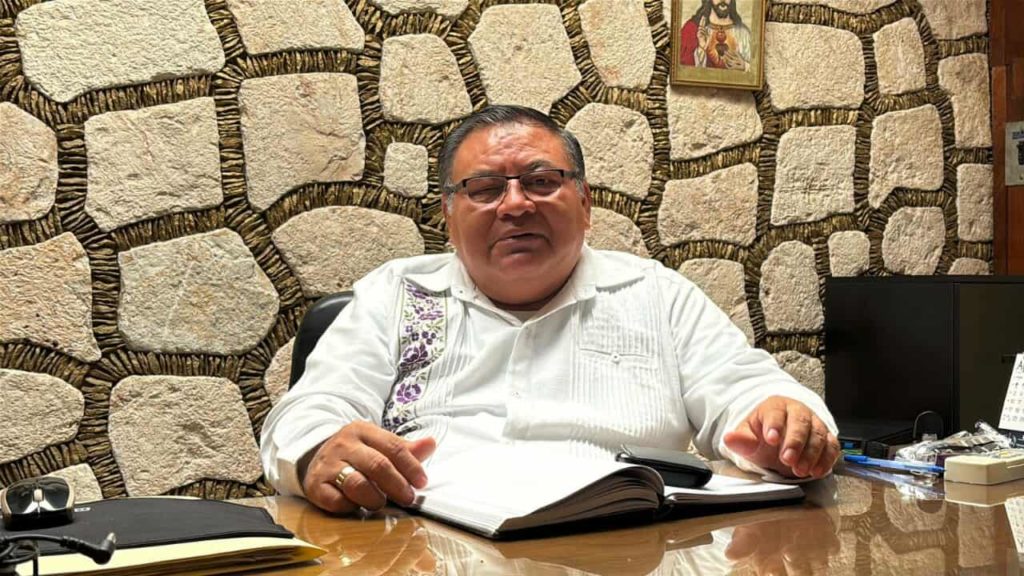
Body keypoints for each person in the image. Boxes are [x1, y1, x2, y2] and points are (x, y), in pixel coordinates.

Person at [260, 105, 840, 515]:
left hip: (629, 549)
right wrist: (318, 452)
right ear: (449, 215)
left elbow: (748, 390)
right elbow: (311, 412)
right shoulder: (396, 292)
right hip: (429, 550)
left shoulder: (658, 294)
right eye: (485, 188)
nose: (515, 204)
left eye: (541, 181)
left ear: (584, 203)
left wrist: (784, 424)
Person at [679, 0, 752, 70]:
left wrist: (745, 66)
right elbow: (683, 68)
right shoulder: (692, 30)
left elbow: (754, 69)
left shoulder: (743, 33)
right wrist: (701, 49)